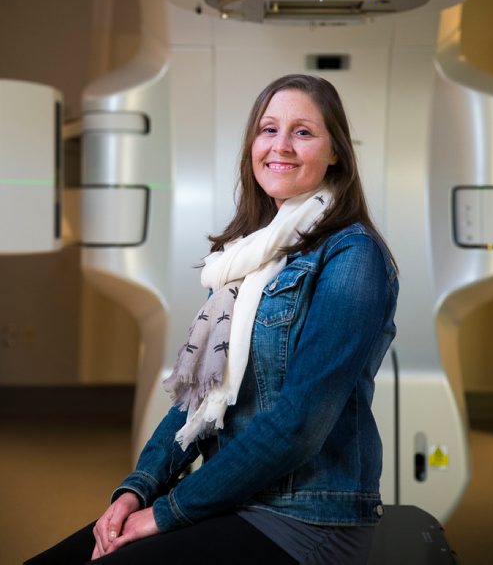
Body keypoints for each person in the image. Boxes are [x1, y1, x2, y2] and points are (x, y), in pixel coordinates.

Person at [25, 74, 398, 565]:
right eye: (268, 130)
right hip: (229, 501)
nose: (280, 145)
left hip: (305, 520)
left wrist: (167, 511)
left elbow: (298, 425)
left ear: (336, 154)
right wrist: (137, 491)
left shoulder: (354, 257)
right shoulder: (248, 258)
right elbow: (199, 400)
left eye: (303, 132)